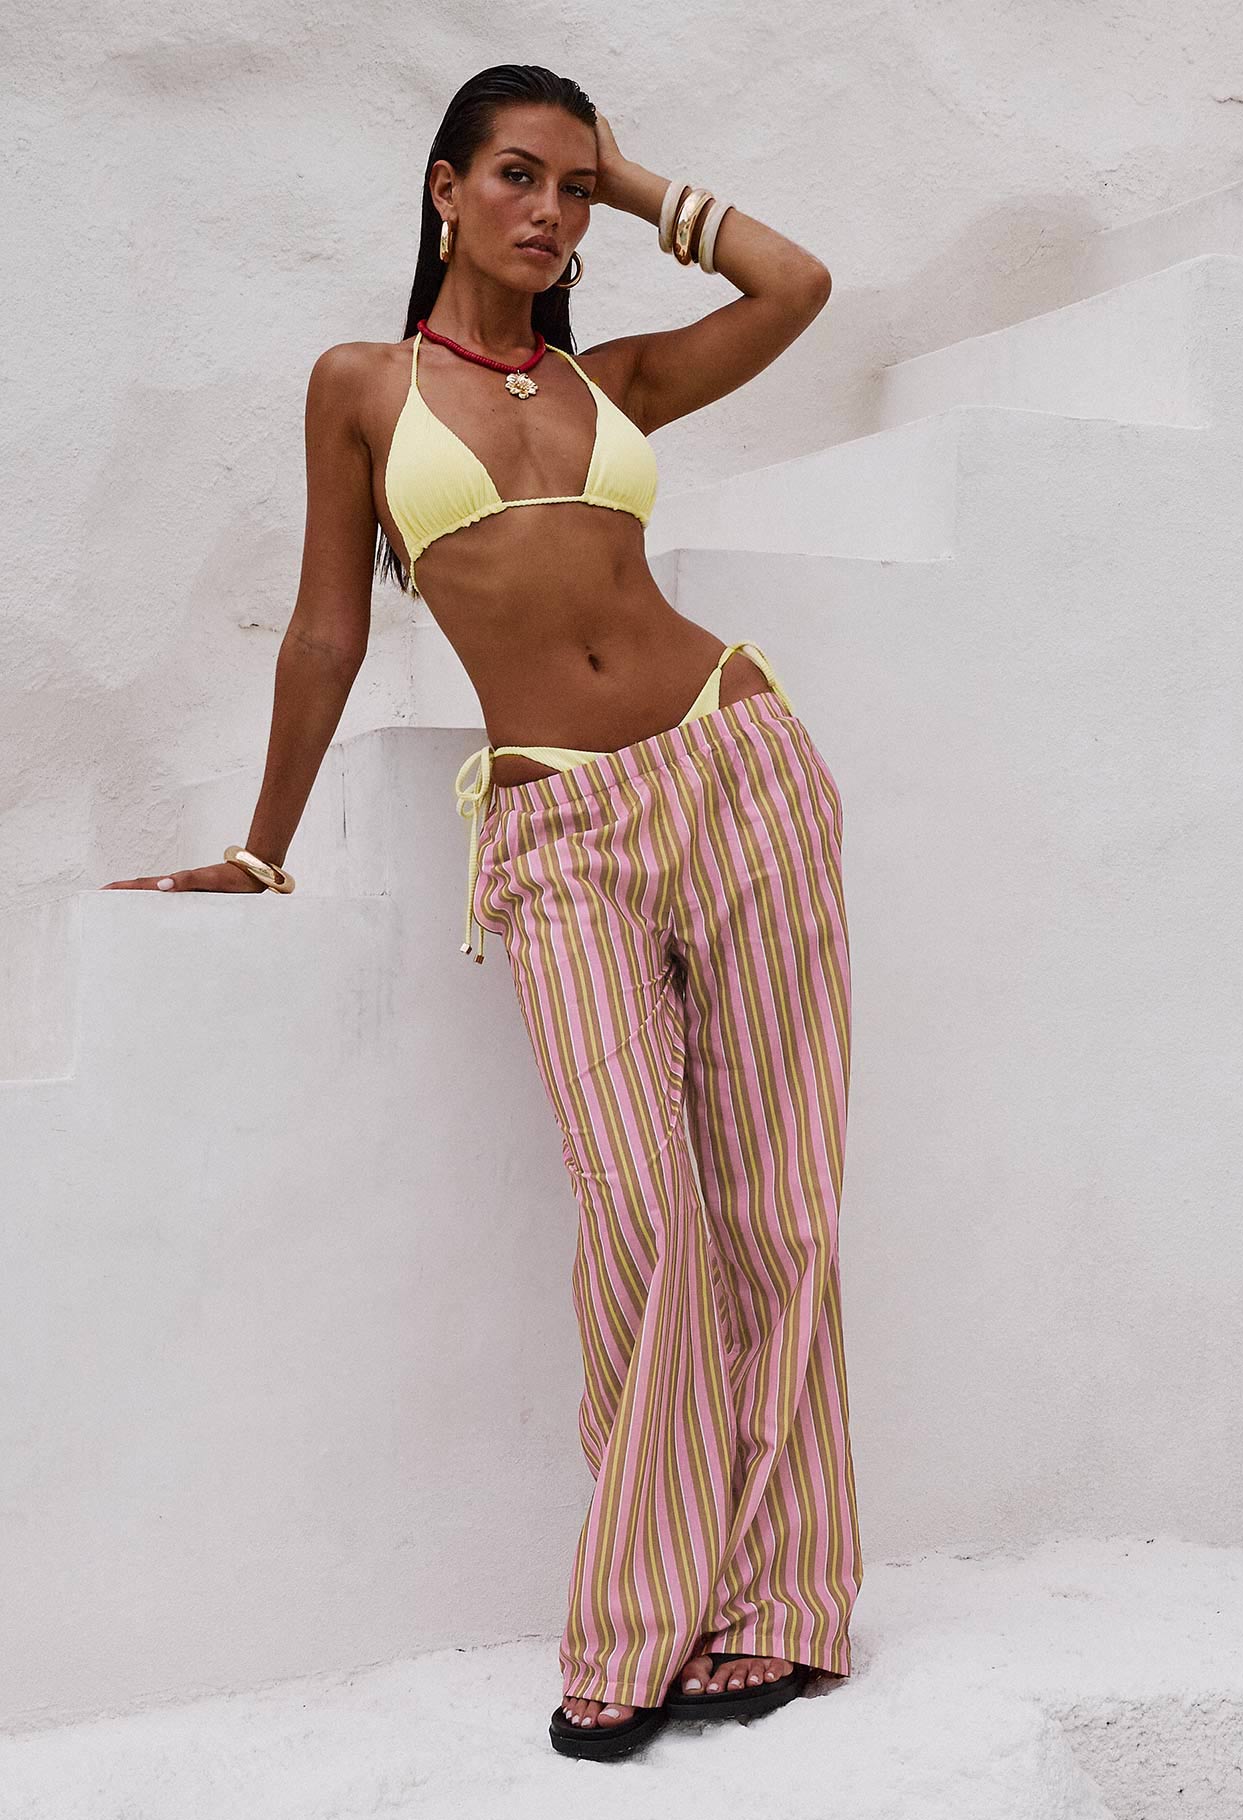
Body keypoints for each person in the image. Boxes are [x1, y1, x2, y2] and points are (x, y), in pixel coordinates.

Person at [103, 63, 862, 1762]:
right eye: (518, 174)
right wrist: (260, 849)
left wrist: (641, 184)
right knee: (644, 1212)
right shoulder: (362, 387)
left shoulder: (612, 379)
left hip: (737, 765)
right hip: (557, 828)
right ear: (442, 189)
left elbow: (797, 287)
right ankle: (647, 1618)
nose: (548, 210)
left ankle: (786, 1610)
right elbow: (327, 630)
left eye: (572, 188)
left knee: (780, 1208)